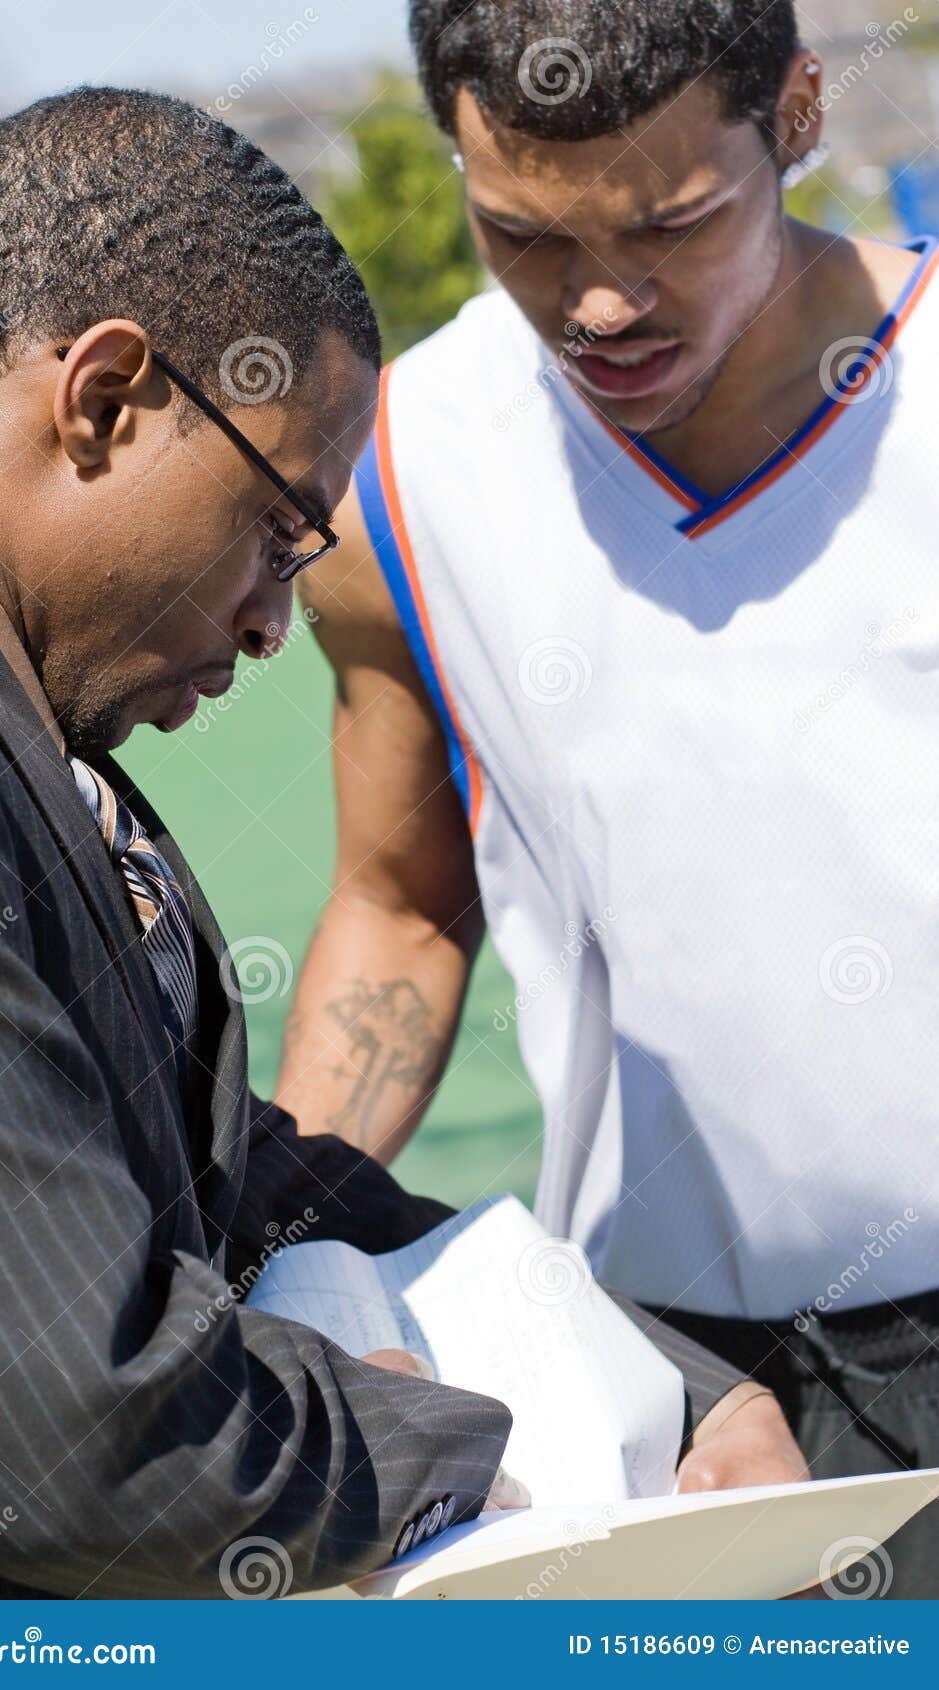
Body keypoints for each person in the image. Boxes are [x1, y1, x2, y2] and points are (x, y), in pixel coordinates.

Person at [0, 87, 796, 1602]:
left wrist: (662, 1381)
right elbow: (54, 1419)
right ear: (105, 399)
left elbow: (226, 1171)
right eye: (273, 529)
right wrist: (446, 1446)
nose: (272, 624)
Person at [278, 1, 939, 1596]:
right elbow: (401, 903)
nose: (600, 302)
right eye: (523, 233)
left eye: (673, 225)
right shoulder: (404, 468)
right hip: (669, 1383)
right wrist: (279, 1249)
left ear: (797, 117)